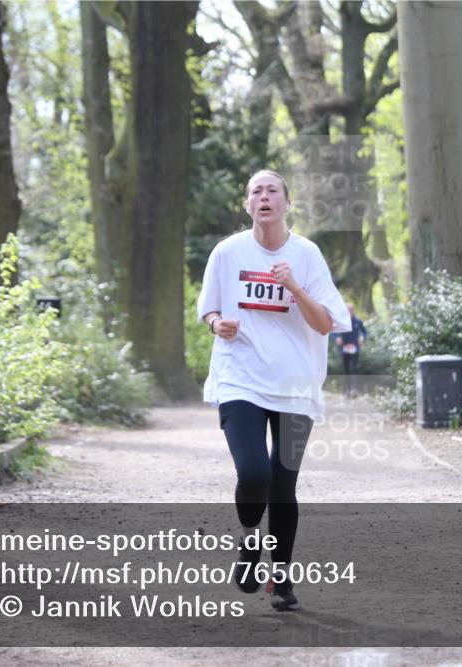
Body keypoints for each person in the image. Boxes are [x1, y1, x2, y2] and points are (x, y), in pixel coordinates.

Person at [196, 170, 351, 612]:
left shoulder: (307, 255)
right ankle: (249, 541)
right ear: (247, 206)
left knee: (283, 486)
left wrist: (295, 287)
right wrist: (215, 324)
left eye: (272, 191)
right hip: (239, 378)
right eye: (255, 192)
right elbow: (207, 308)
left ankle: (281, 581)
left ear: (286, 203)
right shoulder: (227, 252)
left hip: (296, 386)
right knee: (255, 474)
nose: (263, 197)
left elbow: (325, 323)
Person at [334, 303, 367, 398]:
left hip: (354, 349)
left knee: (353, 369)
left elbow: (364, 332)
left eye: (351, 310)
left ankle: (354, 389)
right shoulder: (341, 321)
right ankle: (347, 390)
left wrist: (362, 338)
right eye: (347, 310)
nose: (349, 312)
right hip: (344, 348)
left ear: (354, 311)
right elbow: (332, 331)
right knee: (346, 369)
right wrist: (337, 338)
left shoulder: (358, 321)